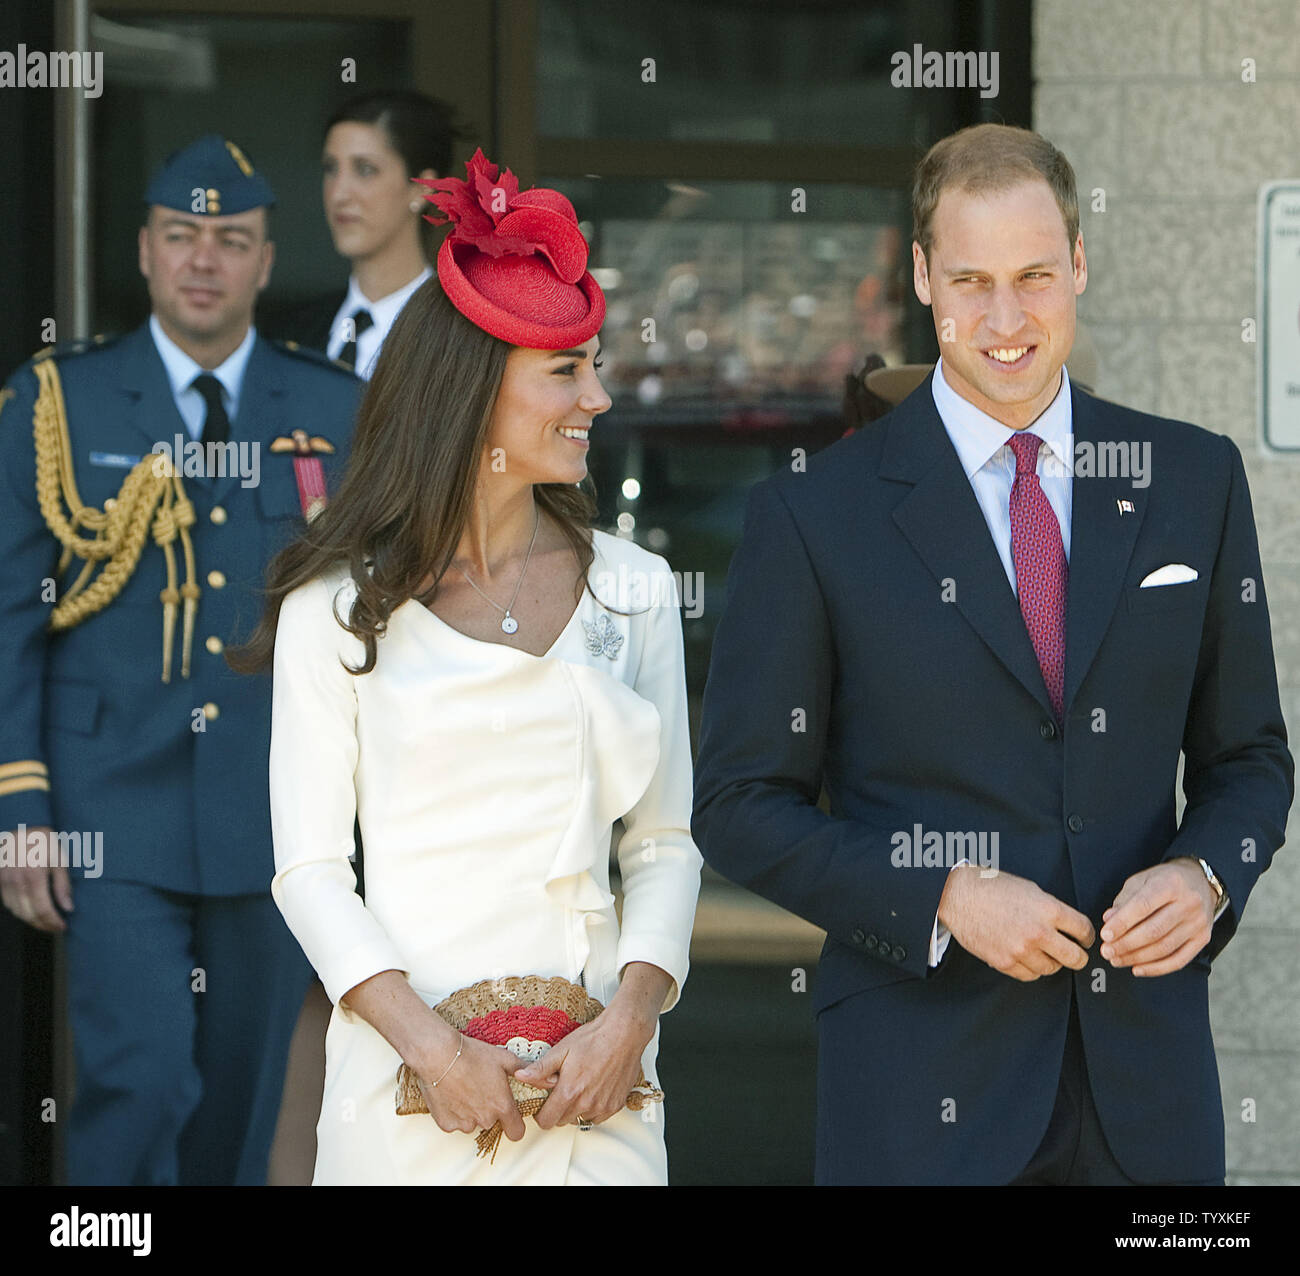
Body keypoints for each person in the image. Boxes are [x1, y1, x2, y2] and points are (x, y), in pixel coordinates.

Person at [692, 123, 1293, 1186]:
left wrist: (1206, 876)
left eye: (1033, 277)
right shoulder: (813, 515)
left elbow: (1250, 758)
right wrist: (941, 898)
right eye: (969, 280)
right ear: (921, 276)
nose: (1004, 319)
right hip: (916, 1095)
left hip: (1146, 1097)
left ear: (1079, 265)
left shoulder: (1190, 480)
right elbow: (739, 802)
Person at [229, 149, 702, 1185]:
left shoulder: (637, 588)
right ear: (475, 388)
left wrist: (631, 1018)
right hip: (407, 1091)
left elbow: (663, 842)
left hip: (598, 1088)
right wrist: (434, 1051)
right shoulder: (336, 604)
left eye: (596, 364)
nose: (600, 397)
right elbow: (309, 871)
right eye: (566, 370)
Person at [0, 135, 362, 1184]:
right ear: (148, 253)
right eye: (182, 237)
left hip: (272, 813)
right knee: (143, 1079)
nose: (205, 259)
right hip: (109, 811)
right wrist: (19, 806)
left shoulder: (333, 408)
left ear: (264, 259)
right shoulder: (56, 404)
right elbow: (14, 612)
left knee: (239, 1108)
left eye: (231, 240)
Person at [279, 91, 460, 376]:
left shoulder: (460, 334)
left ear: (423, 188)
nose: (339, 193)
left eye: (365, 170)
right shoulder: (292, 331)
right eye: (330, 169)